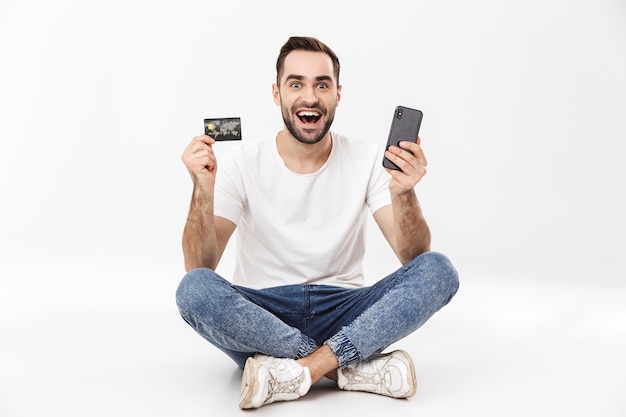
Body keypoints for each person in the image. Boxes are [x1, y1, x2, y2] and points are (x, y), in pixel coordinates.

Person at [176, 36, 459, 410]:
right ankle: (344, 368)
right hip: (262, 318)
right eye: (296, 84)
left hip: (346, 312)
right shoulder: (243, 162)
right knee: (193, 289)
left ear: (337, 95)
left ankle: (299, 370)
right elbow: (200, 267)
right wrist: (202, 188)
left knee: (439, 270)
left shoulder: (365, 158)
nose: (310, 97)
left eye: (321, 85)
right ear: (277, 93)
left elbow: (414, 257)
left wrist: (403, 191)